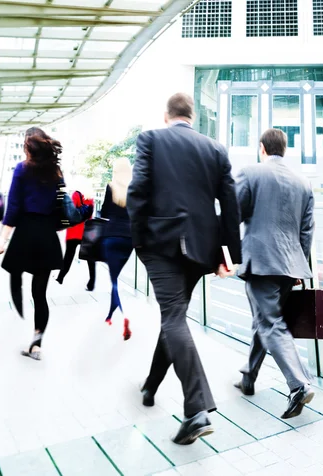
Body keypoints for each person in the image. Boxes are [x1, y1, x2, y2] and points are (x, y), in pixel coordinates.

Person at [127, 93, 241, 445]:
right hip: (200, 249)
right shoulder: (216, 149)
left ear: (167, 115)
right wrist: (229, 255)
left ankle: (196, 410)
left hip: (160, 245)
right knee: (174, 316)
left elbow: (137, 190)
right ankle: (150, 386)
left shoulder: (151, 139)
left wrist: (138, 238)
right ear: (192, 117)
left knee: (173, 318)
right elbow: (230, 204)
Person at [232, 128, 315, 419]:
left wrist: (228, 252)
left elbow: (234, 213)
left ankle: (299, 384)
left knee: (270, 322)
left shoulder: (251, 172)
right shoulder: (303, 183)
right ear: (284, 150)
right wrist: (299, 267)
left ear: (262, 148)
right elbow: (306, 230)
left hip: (262, 260)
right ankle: (249, 376)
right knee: (266, 319)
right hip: (290, 264)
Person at [0, 127, 64, 361]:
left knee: (15, 271)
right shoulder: (57, 172)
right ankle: (36, 346)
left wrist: (2, 239)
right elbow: (61, 207)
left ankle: (19, 304)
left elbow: (13, 207)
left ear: (27, 146)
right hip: (46, 234)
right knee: (40, 294)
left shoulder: (22, 169)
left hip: (25, 232)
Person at [101, 158, 134, 341]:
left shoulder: (110, 186)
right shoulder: (134, 187)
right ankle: (110, 315)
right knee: (116, 279)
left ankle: (124, 315)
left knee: (114, 281)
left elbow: (105, 212)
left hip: (111, 235)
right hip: (129, 238)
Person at [56, 190, 96, 290]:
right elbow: (90, 215)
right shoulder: (89, 196)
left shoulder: (75, 194)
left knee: (68, 256)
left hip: (74, 231)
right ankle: (91, 282)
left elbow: (71, 213)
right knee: (90, 258)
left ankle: (60, 278)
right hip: (87, 231)